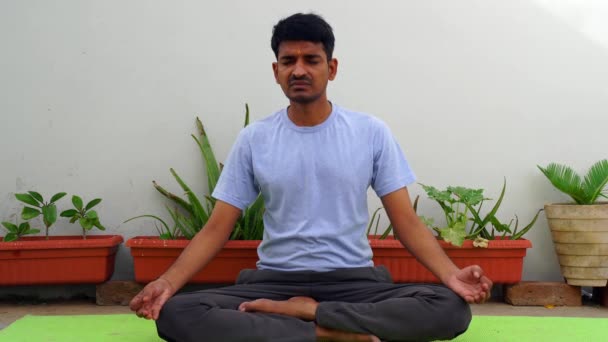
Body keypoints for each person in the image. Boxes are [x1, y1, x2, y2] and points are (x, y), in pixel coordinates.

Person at [130, 12, 492, 342]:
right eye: (288, 61)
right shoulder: (255, 138)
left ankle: (308, 316)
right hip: (275, 282)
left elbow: (406, 222)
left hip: (354, 281)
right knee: (177, 313)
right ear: (276, 71)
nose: (299, 70)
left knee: (449, 308)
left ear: (331, 68)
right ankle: (332, 333)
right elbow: (216, 229)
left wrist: (450, 275)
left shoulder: (370, 132)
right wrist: (167, 282)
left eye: (311, 60)